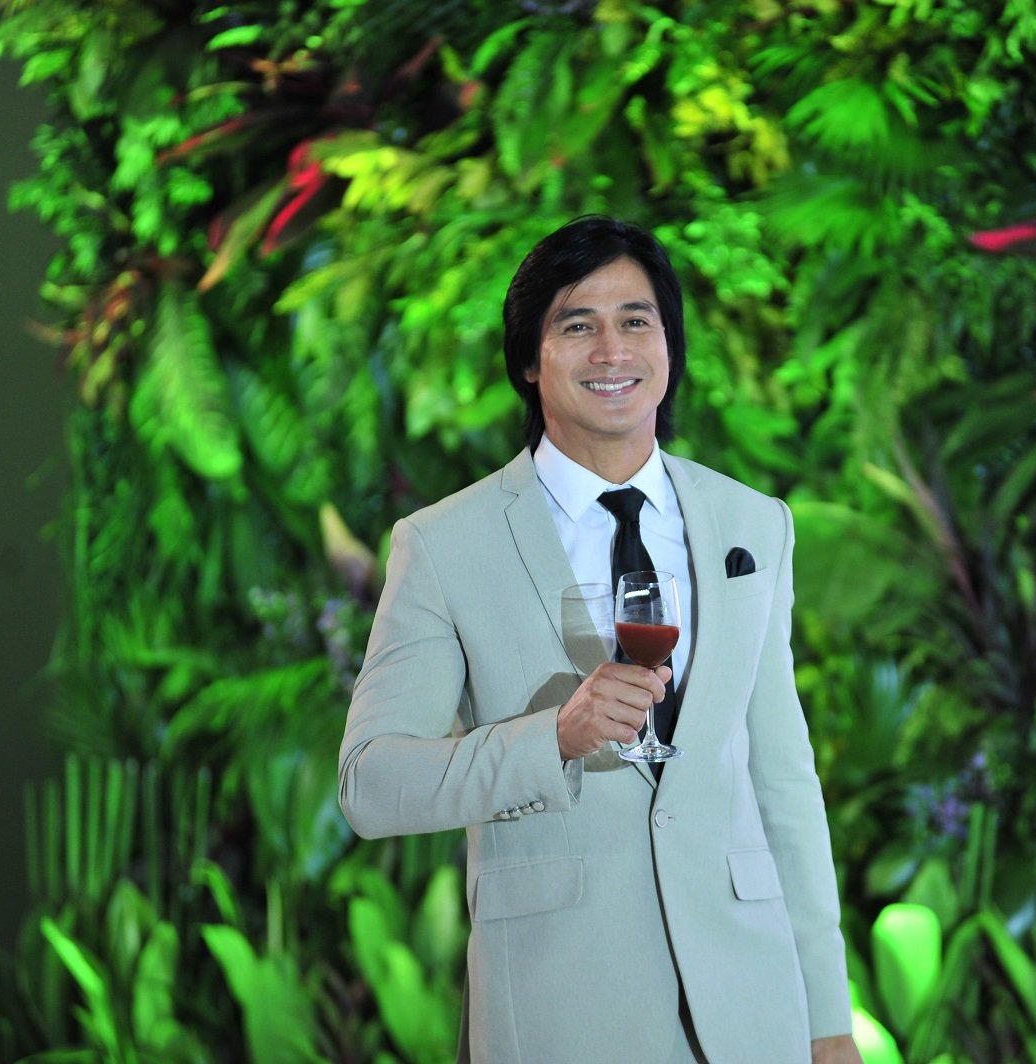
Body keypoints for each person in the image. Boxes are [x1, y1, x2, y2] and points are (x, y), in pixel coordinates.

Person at [338, 216, 860, 1064]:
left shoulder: (753, 523)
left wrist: (826, 1020)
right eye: (578, 325)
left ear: (669, 346)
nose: (612, 350)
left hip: (750, 1011)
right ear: (529, 360)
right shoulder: (443, 545)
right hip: (561, 1009)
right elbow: (370, 784)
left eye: (636, 321)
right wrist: (554, 738)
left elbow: (782, 782)